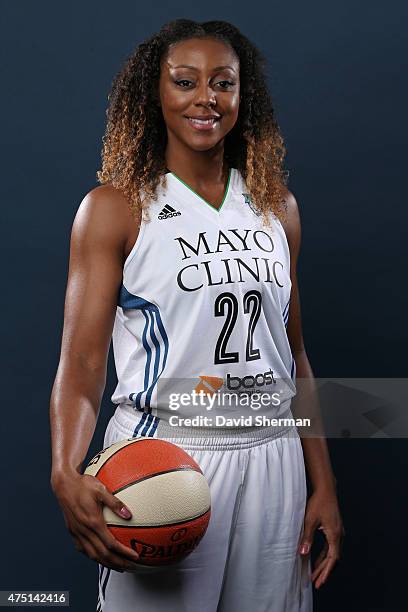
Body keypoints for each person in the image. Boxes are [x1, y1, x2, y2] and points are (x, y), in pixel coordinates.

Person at [50, 19, 344, 612]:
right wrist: (64, 470)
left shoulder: (275, 207)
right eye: (185, 82)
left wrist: (325, 482)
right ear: (155, 94)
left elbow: (294, 355)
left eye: (223, 83)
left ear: (243, 96)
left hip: (273, 454)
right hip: (168, 454)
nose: (205, 98)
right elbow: (81, 363)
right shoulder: (115, 209)